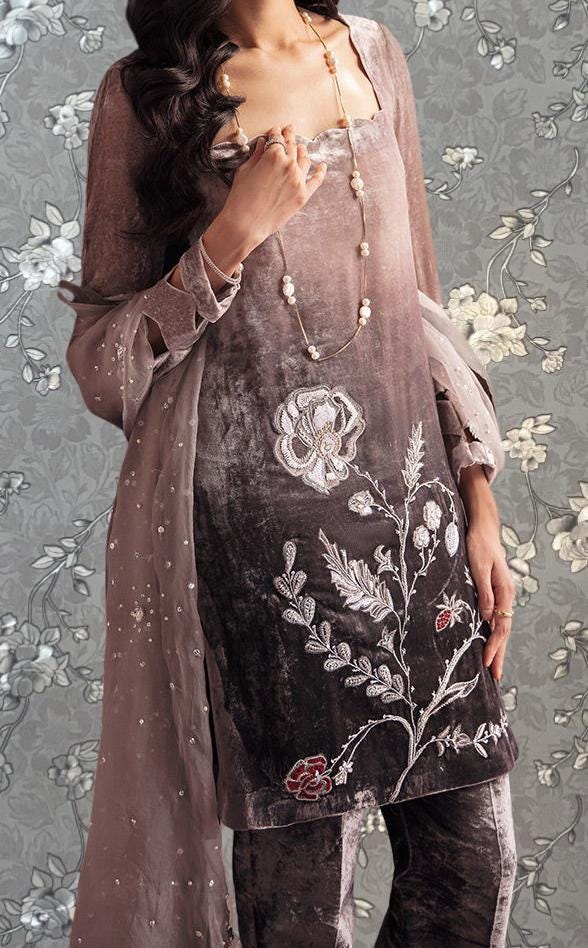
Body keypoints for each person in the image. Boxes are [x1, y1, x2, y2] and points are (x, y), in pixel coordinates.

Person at [58, 2, 520, 946]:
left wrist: (478, 498)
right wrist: (229, 237)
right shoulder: (147, 96)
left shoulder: (372, 54)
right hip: (259, 549)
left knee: (471, 867)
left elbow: (417, 304)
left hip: (414, 526)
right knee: (302, 902)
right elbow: (104, 360)